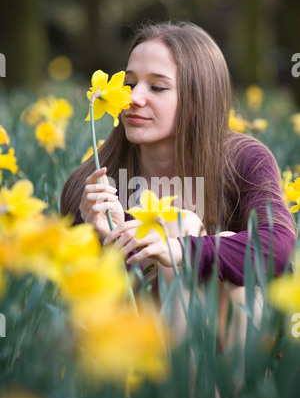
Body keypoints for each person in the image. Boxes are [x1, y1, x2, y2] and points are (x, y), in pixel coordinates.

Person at [60, 21, 296, 346]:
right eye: (129, 83)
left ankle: (219, 396)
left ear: (198, 98)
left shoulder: (244, 160)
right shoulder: (97, 182)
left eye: (157, 88)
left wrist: (180, 250)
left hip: (233, 349)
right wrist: (107, 237)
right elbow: (80, 298)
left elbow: (278, 249)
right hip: (138, 352)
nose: (133, 98)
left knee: (188, 230)